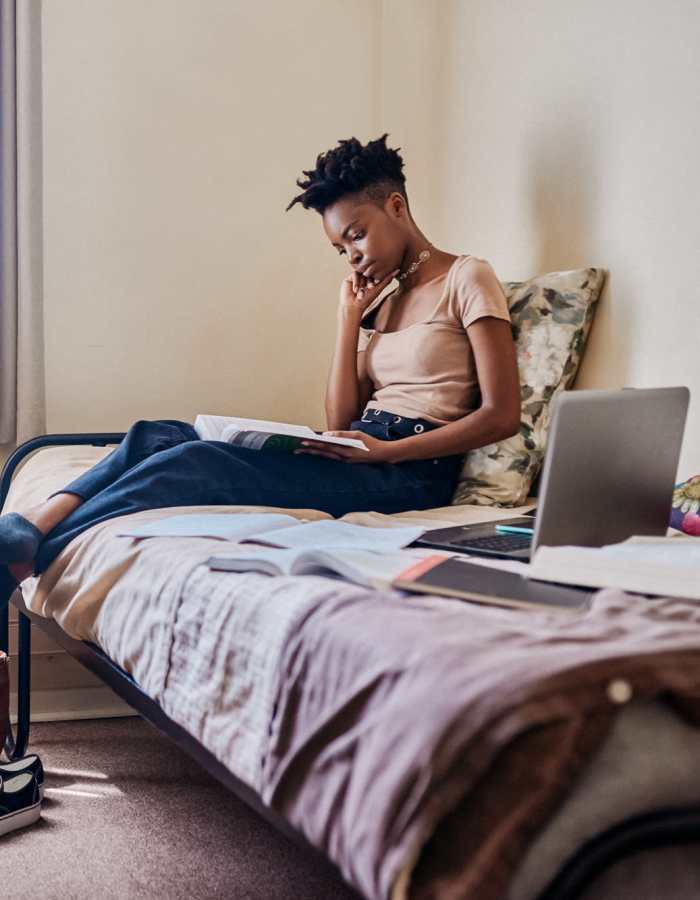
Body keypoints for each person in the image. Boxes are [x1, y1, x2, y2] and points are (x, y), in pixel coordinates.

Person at [0, 133, 520, 602]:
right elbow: (341, 415)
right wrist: (347, 322)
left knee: (198, 463)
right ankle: (34, 522)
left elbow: (501, 416)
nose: (353, 258)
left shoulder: (467, 277)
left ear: (397, 205)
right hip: (361, 447)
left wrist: (388, 451)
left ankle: (30, 554)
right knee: (160, 436)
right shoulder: (383, 299)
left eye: (357, 236)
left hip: (411, 473)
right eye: (342, 249)